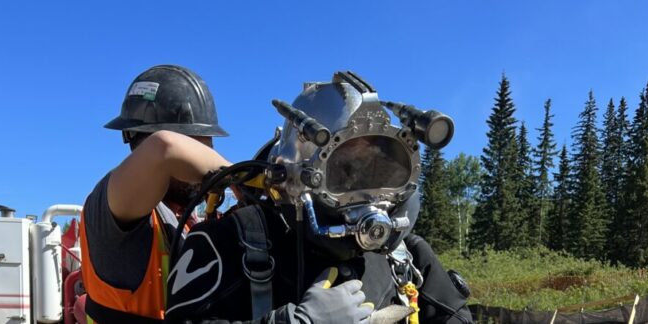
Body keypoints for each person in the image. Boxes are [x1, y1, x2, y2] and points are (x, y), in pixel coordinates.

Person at [165, 71, 473, 324]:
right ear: (301, 175)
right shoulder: (228, 243)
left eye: (381, 169)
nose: (367, 193)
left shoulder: (407, 259)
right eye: (346, 170)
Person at [80, 65, 234, 323]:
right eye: (197, 147)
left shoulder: (182, 223)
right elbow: (164, 148)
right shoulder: (109, 211)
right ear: (139, 142)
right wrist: (244, 177)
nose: (205, 163)